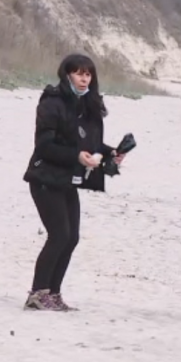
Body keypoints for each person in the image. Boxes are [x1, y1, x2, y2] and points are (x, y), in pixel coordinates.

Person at [21, 54, 126, 311]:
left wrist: (112, 152)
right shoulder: (52, 102)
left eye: (88, 74)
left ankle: (53, 294)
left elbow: (89, 144)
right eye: (79, 73)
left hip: (68, 179)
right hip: (45, 177)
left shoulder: (87, 104)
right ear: (66, 74)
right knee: (59, 235)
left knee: (72, 237)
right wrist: (76, 156)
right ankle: (37, 294)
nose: (84, 78)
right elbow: (44, 146)